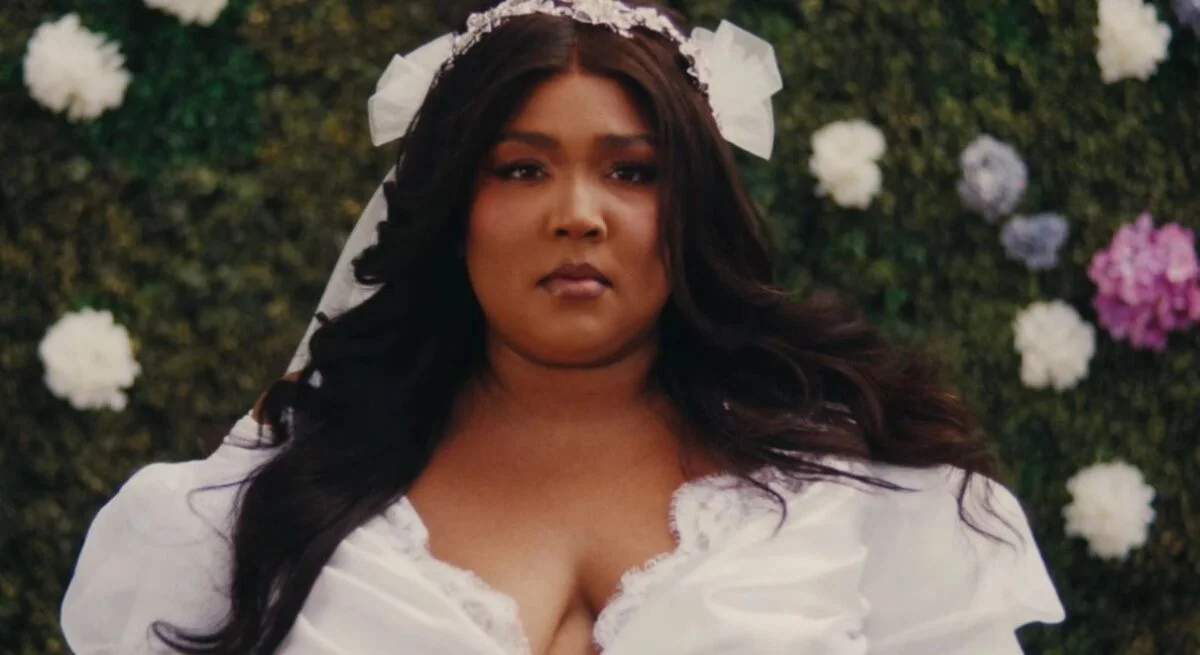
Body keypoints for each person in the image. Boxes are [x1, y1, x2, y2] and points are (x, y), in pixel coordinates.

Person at [59, 1, 1066, 653]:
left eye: (631, 170)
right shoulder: (271, 498)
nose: (577, 213)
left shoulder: (859, 498)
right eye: (521, 167)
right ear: (454, 209)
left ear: (691, 208)